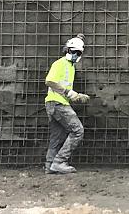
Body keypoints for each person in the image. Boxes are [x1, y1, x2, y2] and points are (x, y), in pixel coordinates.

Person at [44, 34, 90, 174]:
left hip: (56, 103)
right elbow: (50, 81)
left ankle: (50, 165)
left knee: (57, 136)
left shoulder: (71, 67)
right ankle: (59, 162)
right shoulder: (60, 63)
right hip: (57, 104)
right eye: (73, 52)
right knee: (77, 130)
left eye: (78, 53)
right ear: (67, 50)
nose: (75, 55)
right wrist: (69, 93)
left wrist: (76, 96)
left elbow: (62, 86)